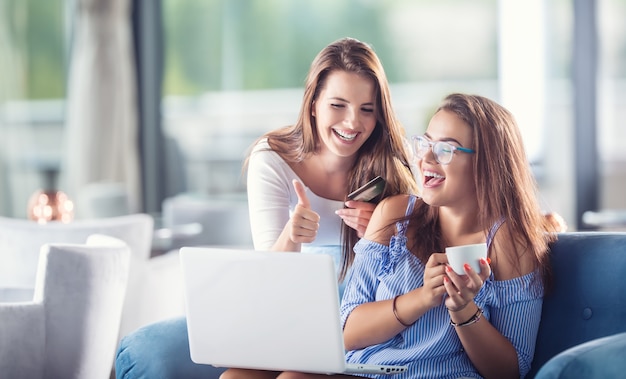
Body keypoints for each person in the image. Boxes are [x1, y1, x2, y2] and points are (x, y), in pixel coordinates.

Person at [115, 37, 417, 379]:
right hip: (282, 309)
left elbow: (409, 272)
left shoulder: (393, 164)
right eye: (338, 105)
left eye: (367, 109)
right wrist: (292, 235)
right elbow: (268, 283)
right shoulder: (272, 158)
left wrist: (372, 238)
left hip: (357, 315)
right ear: (313, 103)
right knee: (152, 353)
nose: (352, 123)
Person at [222, 93, 558, 379]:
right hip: (362, 370)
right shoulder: (395, 214)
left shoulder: (507, 242)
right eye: (425, 143)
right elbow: (344, 330)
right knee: (236, 375)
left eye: (445, 150)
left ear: (488, 164)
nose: (425, 158)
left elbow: (513, 370)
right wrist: (424, 298)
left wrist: (463, 310)